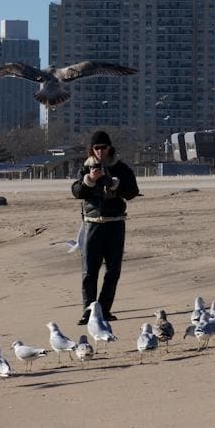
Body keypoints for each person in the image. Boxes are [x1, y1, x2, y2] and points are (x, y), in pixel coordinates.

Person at [71, 129, 139, 324]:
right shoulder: (86, 168)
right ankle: (88, 312)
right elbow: (76, 191)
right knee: (89, 271)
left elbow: (133, 192)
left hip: (115, 223)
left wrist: (117, 185)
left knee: (113, 271)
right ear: (92, 149)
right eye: (96, 147)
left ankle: (104, 309)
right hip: (92, 224)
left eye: (103, 147)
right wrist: (89, 180)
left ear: (110, 148)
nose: (100, 151)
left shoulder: (121, 168)